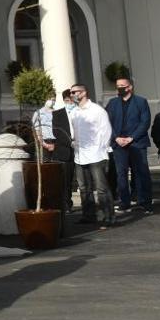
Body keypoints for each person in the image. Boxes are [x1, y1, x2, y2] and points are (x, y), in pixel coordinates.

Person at [105, 76, 153, 214]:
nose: (120, 88)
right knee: (121, 173)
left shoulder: (141, 102)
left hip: (137, 143)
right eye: (118, 85)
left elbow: (145, 122)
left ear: (130, 87)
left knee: (142, 172)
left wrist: (132, 138)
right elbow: (106, 122)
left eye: (122, 85)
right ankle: (124, 202)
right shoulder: (112, 103)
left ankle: (145, 202)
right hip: (118, 143)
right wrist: (116, 138)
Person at [69, 85, 115, 228]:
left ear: (83, 92)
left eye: (74, 92)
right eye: (71, 92)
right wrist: (74, 142)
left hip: (96, 155)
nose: (72, 95)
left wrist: (100, 148)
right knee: (84, 188)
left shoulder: (97, 110)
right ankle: (88, 215)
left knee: (101, 188)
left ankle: (109, 216)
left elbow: (106, 130)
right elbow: (73, 131)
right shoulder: (74, 112)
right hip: (80, 155)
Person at [42, 94, 78, 217]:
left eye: (72, 100)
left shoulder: (80, 112)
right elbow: (57, 132)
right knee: (66, 181)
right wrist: (71, 143)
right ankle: (67, 204)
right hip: (65, 151)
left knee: (84, 181)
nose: (70, 103)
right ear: (64, 101)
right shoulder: (57, 114)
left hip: (82, 150)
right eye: (67, 100)